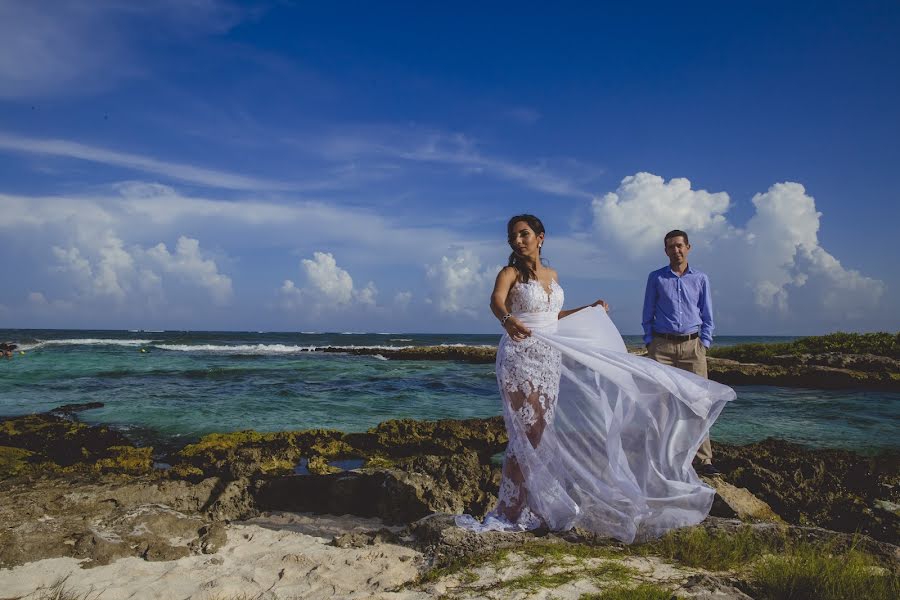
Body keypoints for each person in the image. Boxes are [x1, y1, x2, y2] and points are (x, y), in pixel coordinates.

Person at [456, 215, 735, 543]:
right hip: (519, 357)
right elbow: (496, 301)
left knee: (539, 432)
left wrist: (588, 309)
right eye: (513, 236)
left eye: (524, 234)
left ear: (540, 237)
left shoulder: (552, 275)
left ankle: (526, 505)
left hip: (548, 357)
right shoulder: (510, 273)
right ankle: (509, 509)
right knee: (526, 432)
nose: (518, 240)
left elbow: (553, 316)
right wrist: (506, 320)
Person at [641, 230, 718, 476]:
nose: (676, 250)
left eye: (679, 246)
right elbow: (647, 312)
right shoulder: (656, 278)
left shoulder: (701, 278)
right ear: (666, 251)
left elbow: (708, 315)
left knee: (698, 403)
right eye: (671, 247)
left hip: (692, 347)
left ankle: (704, 459)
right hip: (661, 348)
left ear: (688, 247)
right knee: (660, 404)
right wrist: (650, 342)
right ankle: (661, 457)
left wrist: (704, 343)